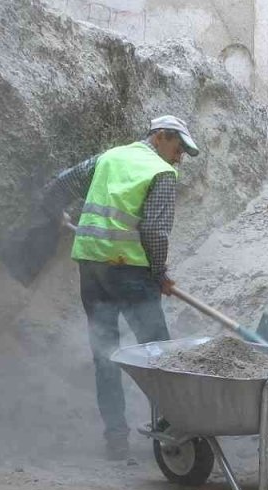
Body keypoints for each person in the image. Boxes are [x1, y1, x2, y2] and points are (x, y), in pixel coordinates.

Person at [32, 116, 200, 460]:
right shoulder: (161, 173)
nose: (180, 156)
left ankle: (116, 439)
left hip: (92, 269)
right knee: (158, 355)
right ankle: (174, 433)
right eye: (179, 147)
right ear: (161, 136)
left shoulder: (108, 158)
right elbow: (154, 232)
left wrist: (56, 215)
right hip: (132, 274)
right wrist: (159, 273)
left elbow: (57, 188)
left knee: (105, 353)